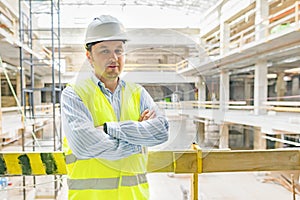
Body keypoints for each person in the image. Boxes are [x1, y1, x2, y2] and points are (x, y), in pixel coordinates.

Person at [61, 15, 169, 200]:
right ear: (89, 56)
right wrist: (139, 139)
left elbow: (161, 132)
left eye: (119, 50)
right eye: (104, 51)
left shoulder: (138, 92)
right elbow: (84, 146)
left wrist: (107, 129)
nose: (114, 57)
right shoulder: (74, 94)